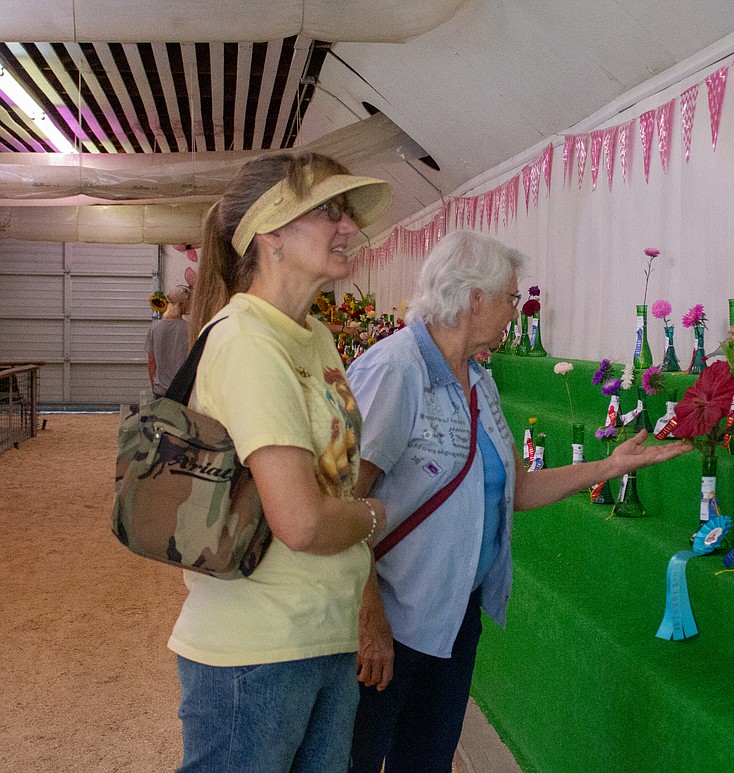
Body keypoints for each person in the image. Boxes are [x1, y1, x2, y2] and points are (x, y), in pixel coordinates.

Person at [346, 230, 690, 773]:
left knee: (425, 761)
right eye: (510, 297)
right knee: (358, 760)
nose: (515, 310)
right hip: (390, 619)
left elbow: (517, 488)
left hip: (454, 615)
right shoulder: (395, 370)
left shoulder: (480, 379)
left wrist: (611, 466)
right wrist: (369, 621)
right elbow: (345, 502)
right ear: (474, 298)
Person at [171, 151, 393, 772]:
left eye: (347, 213)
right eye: (328, 212)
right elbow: (302, 522)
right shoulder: (246, 340)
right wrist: (375, 514)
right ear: (270, 234)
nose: (348, 227)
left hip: (322, 634)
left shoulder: (313, 334)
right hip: (254, 650)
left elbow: (332, 487)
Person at [145, 285, 191, 397]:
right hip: (182, 391)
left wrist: (154, 386)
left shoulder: (155, 328)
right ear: (182, 305)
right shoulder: (190, 329)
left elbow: (151, 362)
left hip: (160, 390)